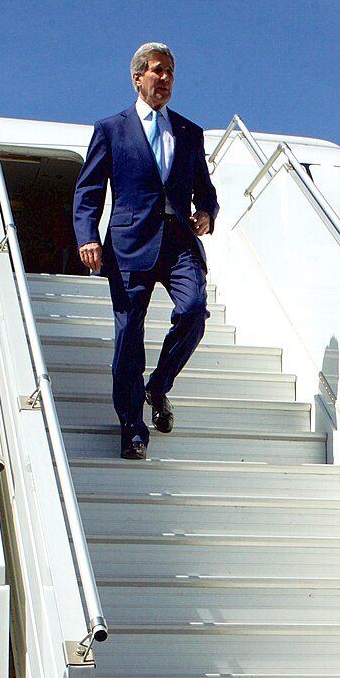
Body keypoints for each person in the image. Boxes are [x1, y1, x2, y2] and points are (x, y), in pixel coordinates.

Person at [71, 42, 219, 460]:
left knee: (193, 311)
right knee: (128, 336)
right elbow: (88, 191)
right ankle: (132, 428)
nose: (165, 78)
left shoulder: (190, 132)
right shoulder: (111, 129)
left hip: (178, 243)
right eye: (157, 70)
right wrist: (87, 236)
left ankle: (159, 386)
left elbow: (204, 190)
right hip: (131, 242)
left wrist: (206, 212)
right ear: (138, 78)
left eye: (170, 70)